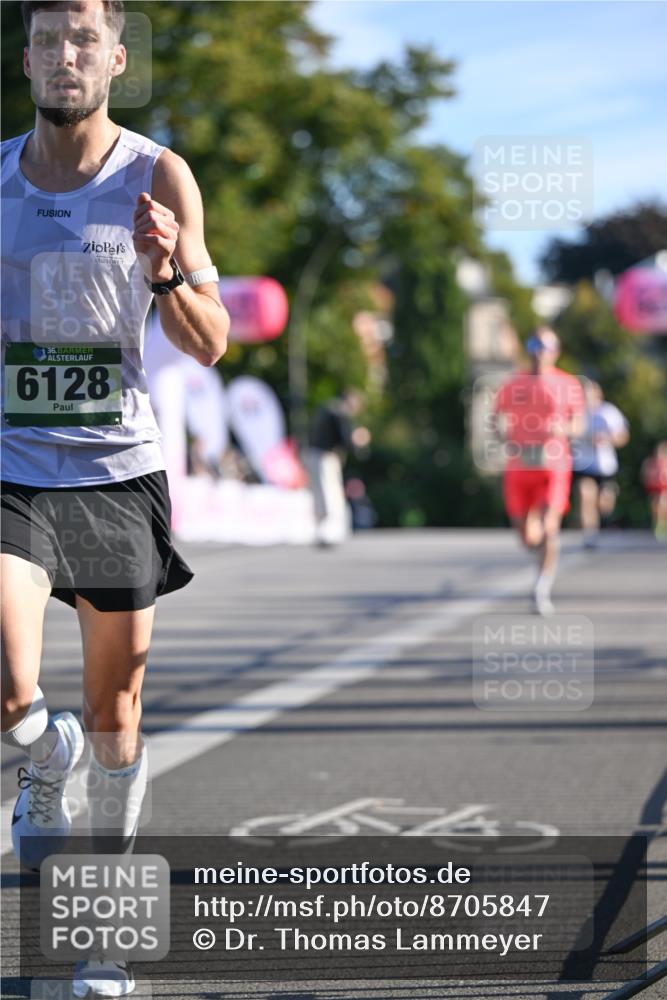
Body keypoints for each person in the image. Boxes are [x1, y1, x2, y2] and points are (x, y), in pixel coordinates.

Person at [0, 2, 229, 995]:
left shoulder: (158, 174)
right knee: (11, 692)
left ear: (116, 59)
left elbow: (212, 341)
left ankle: (103, 937)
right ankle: (40, 752)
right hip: (11, 465)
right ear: (26, 59)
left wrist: (165, 269)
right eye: (49, 39)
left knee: (116, 714)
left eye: (85, 39)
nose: (67, 54)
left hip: (114, 474)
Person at [494, 328, 585, 615]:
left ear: (556, 351)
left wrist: (563, 429)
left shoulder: (568, 384)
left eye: (545, 346)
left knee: (549, 527)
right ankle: (538, 553)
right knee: (526, 535)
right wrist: (505, 437)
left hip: (553, 465)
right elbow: (496, 418)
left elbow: (579, 424)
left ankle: (541, 588)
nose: (539, 351)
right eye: (534, 344)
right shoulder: (514, 383)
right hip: (520, 465)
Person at [305, 389, 367, 547]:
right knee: (330, 493)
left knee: (320, 493)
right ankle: (330, 531)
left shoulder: (327, 408)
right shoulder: (340, 412)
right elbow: (346, 440)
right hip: (325, 457)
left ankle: (321, 531)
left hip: (314, 454)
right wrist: (358, 441)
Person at [572, 380, 629, 547]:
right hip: (583, 464)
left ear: (598, 394)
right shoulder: (577, 413)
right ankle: (590, 534)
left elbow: (623, 436)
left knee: (604, 505)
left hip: (605, 467)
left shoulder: (608, 412)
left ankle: (606, 510)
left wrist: (607, 439)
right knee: (585, 495)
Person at [641, 441, 667, 540]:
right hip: (655, 489)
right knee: (655, 506)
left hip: (664, 489)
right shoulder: (650, 463)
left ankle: (662, 525)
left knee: (662, 503)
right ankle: (657, 523)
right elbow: (644, 475)